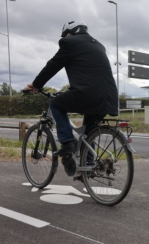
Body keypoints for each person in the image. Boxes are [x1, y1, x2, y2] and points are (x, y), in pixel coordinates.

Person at [24, 20, 118, 174]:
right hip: (109, 97)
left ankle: (67, 143)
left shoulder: (69, 42)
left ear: (69, 34)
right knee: (89, 131)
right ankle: (88, 168)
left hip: (88, 94)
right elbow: (90, 74)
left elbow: (53, 65)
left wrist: (36, 85)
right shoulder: (99, 45)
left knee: (55, 104)